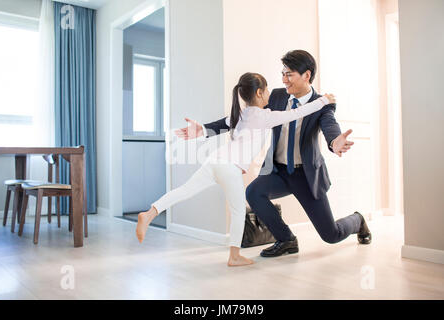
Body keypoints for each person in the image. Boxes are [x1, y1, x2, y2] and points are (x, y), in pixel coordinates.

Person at [176, 50, 371, 258]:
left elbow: (330, 126)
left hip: (305, 176)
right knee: (253, 192)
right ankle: (286, 240)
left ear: (306, 75)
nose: (284, 80)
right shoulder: (277, 96)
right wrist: (205, 130)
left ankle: (358, 220)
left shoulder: (321, 104)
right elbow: (244, 117)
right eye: (283, 73)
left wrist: (335, 142)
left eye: (290, 74)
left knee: (331, 235)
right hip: (278, 172)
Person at [136, 72, 335, 266]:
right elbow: (297, 113)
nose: (269, 95)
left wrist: (202, 130)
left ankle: (151, 212)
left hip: (215, 161)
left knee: (185, 190)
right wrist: (324, 100)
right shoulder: (265, 116)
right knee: (238, 211)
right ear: (259, 93)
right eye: (266, 91)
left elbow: (223, 123)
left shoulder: (241, 114)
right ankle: (234, 256)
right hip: (229, 168)